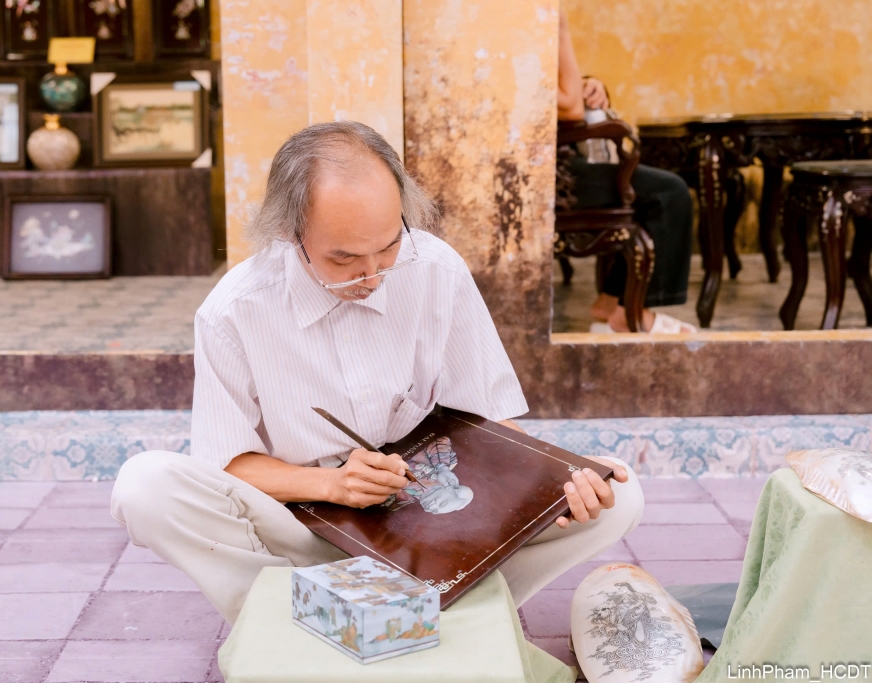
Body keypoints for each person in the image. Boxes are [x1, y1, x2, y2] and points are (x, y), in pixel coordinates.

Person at [110, 121, 645, 624]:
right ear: (290, 233)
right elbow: (226, 465)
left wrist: (559, 480)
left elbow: (487, 425)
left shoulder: (434, 269)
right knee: (146, 486)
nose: (372, 275)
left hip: (434, 523)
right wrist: (333, 484)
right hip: (300, 527)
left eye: (388, 246)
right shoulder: (235, 310)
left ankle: (411, 608)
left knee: (618, 493)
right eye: (344, 259)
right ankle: (303, 614)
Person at [558, 11, 697, 334]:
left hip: (556, 163)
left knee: (651, 188)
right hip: (550, 175)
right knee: (668, 193)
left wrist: (587, 84)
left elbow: (553, 91)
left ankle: (611, 300)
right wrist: (560, 27)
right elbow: (569, 108)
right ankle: (631, 314)